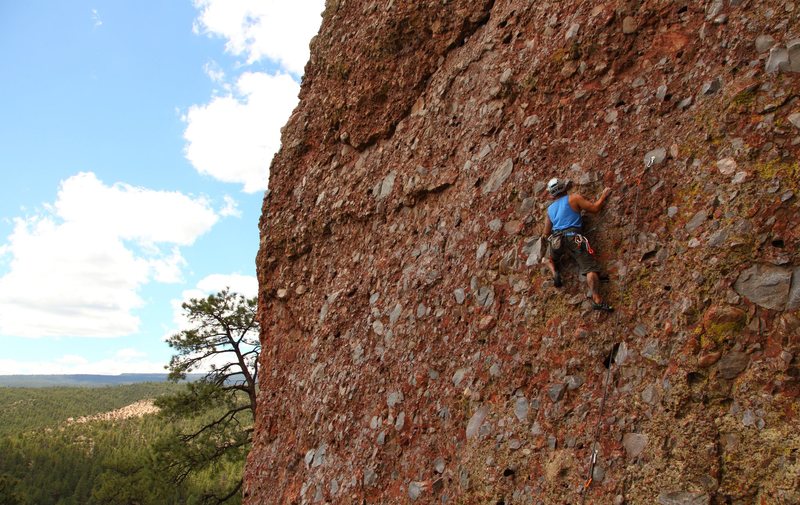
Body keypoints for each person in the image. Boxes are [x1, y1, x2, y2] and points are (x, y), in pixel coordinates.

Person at [542, 177, 613, 312]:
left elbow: (546, 232)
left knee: (547, 259)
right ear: (564, 187)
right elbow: (595, 208)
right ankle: (597, 299)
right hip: (574, 238)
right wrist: (603, 196)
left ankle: (554, 271)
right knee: (590, 269)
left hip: (557, 241)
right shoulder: (573, 199)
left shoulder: (550, 209)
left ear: (552, 194)